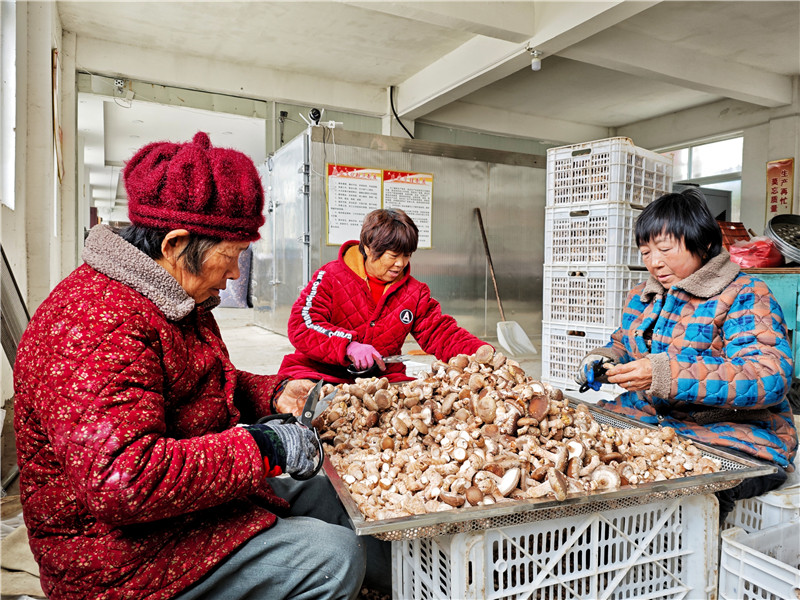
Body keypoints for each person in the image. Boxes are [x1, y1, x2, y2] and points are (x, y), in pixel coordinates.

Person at [13, 132, 371, 600]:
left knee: (333, 494)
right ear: (176, 244)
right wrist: (262, 446)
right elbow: (124, 480)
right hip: (125, 556)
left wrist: (273, 393)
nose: (237, 273)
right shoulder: (95, 323)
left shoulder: (172, 297)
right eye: (232, 255)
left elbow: (192, 382)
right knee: (334, 556)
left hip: (183, 510)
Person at [575, 188, 798, 524]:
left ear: (705, 244)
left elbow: (768, 376)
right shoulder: (644, 296)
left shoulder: (745, 294)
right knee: (581, 445)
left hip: (734, 435)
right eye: (646, 251)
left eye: (665, 249)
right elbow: (624, 342)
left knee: (680, 495)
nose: (654, 262)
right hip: (652, 421)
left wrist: (664, 374)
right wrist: (604, 359)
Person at [277, 208, 492, 404]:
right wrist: (348, 346)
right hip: (321, 372)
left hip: (382, 378)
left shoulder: (415, 293)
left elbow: (441, 333)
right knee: (299, 402)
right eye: (394, 255)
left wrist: (483, 353)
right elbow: (302, 324)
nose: (401, 263)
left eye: (407, 255)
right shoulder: (330, 276)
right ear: (369, 248)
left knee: (423, 404)